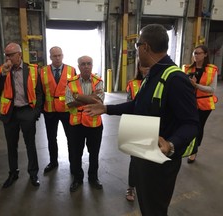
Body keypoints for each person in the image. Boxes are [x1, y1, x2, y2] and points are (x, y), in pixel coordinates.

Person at [84, 24, 199, 215]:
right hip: (143, 148)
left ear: (145, 47)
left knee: (154, 208)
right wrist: (106, 108)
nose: (136, 52)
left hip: (160, 158)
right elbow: (136, 105)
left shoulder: (175, 78)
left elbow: (192, 123)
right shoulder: (153, 74)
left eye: (137, 46)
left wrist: (171, 145)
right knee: (146, 205)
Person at [0, 42, 43, 188]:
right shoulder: (1, 70)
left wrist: (35, 112)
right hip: (10, 113)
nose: (8, 58)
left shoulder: (33, 70)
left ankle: (33, 174)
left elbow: (39, 93)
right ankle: (13, 173)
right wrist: (3, 74)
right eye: (6, 55)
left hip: (27, 111)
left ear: (19, 55)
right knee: (11, 145)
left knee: (30, 145)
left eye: (11, 55)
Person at [65, 55, 104, 192]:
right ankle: (77, 179)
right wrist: (90, 98)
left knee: (94, 153)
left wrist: (79, 97)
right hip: (76, 124)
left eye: (89, 64)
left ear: (92, 65)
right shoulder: (71, 82)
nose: (86, 66)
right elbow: (69, 103)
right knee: (76, 153)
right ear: (78, 66)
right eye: (83, 64)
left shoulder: (98, 81)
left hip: (94, 124)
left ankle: (93, 178)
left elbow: (99, 102)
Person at [40, 46, 76, 174]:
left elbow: (75, 90)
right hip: (49, 111)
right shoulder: (42, 71)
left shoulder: (72, 70)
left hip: (66, 110)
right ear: (50, 57)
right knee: (51, 138)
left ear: (63, 55)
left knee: (71, 138)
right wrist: (39, 110)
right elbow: (40, 92)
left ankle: (74, 163)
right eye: (54, 56)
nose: (57, 58)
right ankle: (53, 162)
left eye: (59, 55)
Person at [182, 45, 218, 163]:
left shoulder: (212, 70)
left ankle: (193, 151)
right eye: (194, 53)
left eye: (198, 53)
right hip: (189, 102)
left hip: (204, 103)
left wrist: (196, 86)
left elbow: (212, 89)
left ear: (205, 54)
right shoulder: (187, 68)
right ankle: (186, 147)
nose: (196, 55)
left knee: (198, 127)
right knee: (187, 125)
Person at [125, 63, 149, 202]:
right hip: (136, 124)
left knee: (150, 159)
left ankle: (147, 186)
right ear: (139, 68)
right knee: (135, 160)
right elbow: (129, 104)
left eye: (149, 66)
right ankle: (131, 187)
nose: (147, 68)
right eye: (144, 66)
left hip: (155, 125)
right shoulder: (133, 84)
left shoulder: (160, 82)